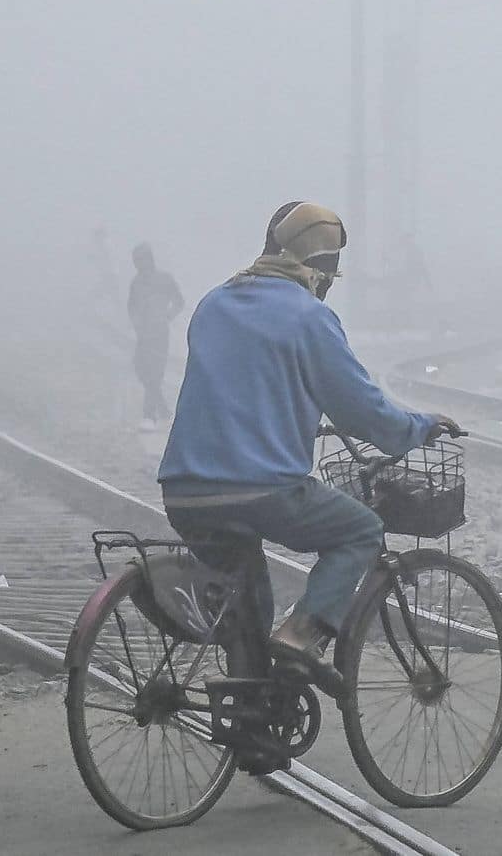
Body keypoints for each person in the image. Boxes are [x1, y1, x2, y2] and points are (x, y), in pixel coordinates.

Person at [158, 201, 457, 673]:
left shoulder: (213, 304)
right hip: (262, 491)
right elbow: (362, 410)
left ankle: (251, 721)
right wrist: (418, 427)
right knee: (361, 529)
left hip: (184, 491)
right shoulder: (308, 317)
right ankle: (301, 635)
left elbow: (240, 382)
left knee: (248, 602)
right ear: (319, 268)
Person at [127, 242, 185, 429]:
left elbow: (179, 301)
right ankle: (164, 411)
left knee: (155, 372)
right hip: (143, 334)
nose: (140, 264)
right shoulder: (136, 283)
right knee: (141, 369)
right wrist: (136, 322)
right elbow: (132, 306)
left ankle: (148, 415)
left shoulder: (164, 279)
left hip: (160, 333)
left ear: (149, 259)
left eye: (142, 259)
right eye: (137, 261)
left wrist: (167, 316)